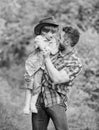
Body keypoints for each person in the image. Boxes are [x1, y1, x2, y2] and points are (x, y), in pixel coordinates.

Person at [31, 21, 82, 130]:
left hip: (56, 100)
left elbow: (57, 78)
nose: (57, 39)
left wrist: (47, 58)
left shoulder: (75, 62)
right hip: (39, 99)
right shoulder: (53, 50)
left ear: (67, 42)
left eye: (60, 38)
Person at [23, 17, 60, 114]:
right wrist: (47, 47)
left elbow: (54, 51)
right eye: (50, 32)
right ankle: (26, 106)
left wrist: (55, 46)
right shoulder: (39, 38)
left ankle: (32, 104)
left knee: (37, 85)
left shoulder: (53, 41)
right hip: (32, 65)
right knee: (29, 85)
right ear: (44, 32)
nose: (52, 35)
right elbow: (41, 46)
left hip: (42, 67)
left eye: (53, 33)